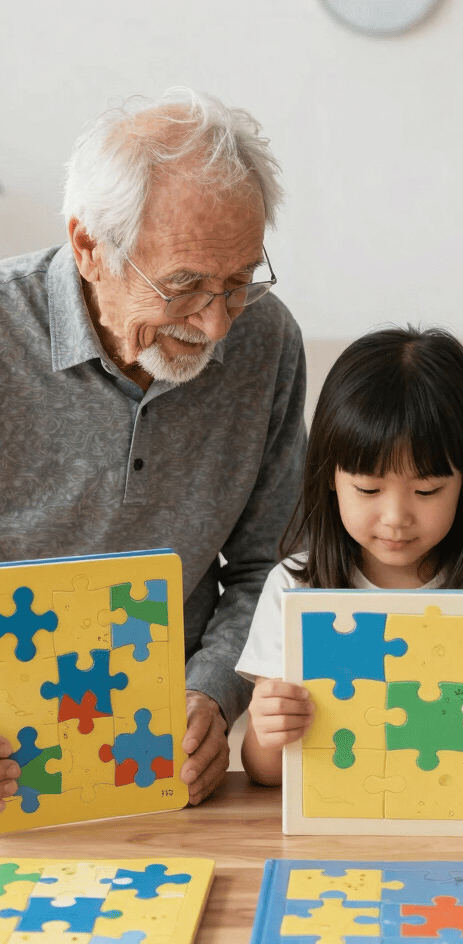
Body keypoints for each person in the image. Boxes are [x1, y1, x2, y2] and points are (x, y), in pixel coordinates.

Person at [0, 89, 306, 811]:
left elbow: (273, 565)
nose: (215, 324)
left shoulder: (267, 342)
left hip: (162, 765)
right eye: (184, 286)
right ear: (88, 247)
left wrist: (214, 695)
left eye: (238, 284)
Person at [236, 326, 463, 788]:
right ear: (328, 477)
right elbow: (263, 774)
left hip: (452, 828)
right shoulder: (292, 588)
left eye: (426, 490)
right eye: (367, 489)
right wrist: (266, 731)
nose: (396, 517)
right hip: (333, 827)